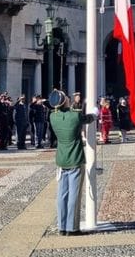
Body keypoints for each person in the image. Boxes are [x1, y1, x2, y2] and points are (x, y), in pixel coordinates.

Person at [49, 90, 96, 236]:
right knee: (74, 195)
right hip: (75, 158)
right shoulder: (74, 116)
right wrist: (95, 113)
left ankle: (62, 226)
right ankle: (72, 227)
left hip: (61, 159)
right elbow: (88, 118)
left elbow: (67, 113)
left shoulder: (53, 116)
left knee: (62, 194)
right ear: (64, 101)